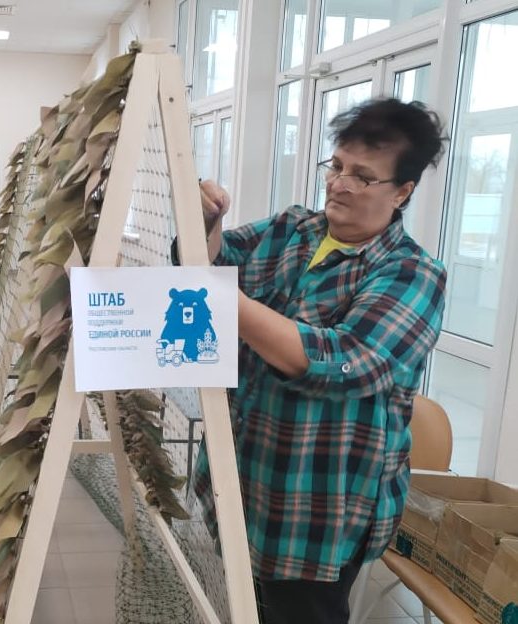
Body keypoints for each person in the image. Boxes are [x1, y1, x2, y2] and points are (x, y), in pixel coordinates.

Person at [189, 99, 448, 624]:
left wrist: (227, 303)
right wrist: (204, 221)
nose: (340, 184)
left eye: (364, 177)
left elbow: (341, 360)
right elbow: (216, 260)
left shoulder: (412, 273)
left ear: (402, 192)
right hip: (246, 474)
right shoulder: (293, 229)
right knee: (240, 602)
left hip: (318, 503)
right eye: (337, 167)